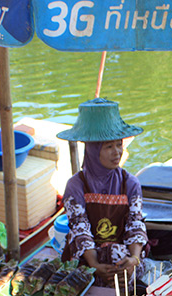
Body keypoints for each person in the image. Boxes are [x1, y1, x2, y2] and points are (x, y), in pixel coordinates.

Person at [58, 98, 148, 286]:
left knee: (122, 260)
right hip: (88, 257)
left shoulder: (130, 183)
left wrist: (133, 259)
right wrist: (95, 264)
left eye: (119, 144)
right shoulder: (76, 185)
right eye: (108, 146)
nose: (117, 152)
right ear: (92, 150)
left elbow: (135, 223)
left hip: (123, 256)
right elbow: (79, 227)